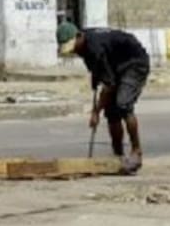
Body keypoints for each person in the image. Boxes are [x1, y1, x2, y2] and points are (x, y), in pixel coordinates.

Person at [57, 22, 149, 174]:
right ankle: (118, 156)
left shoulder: (94, 47)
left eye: (73, 46)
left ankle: (136, 152)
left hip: (134, 63)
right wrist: (96, 83)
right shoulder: (83, 45)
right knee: (111, 112)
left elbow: (109, 86)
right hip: (115, 65)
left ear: (79, 36)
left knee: (123, 105)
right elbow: (98, 71)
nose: (74, 51)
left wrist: (95, 111)